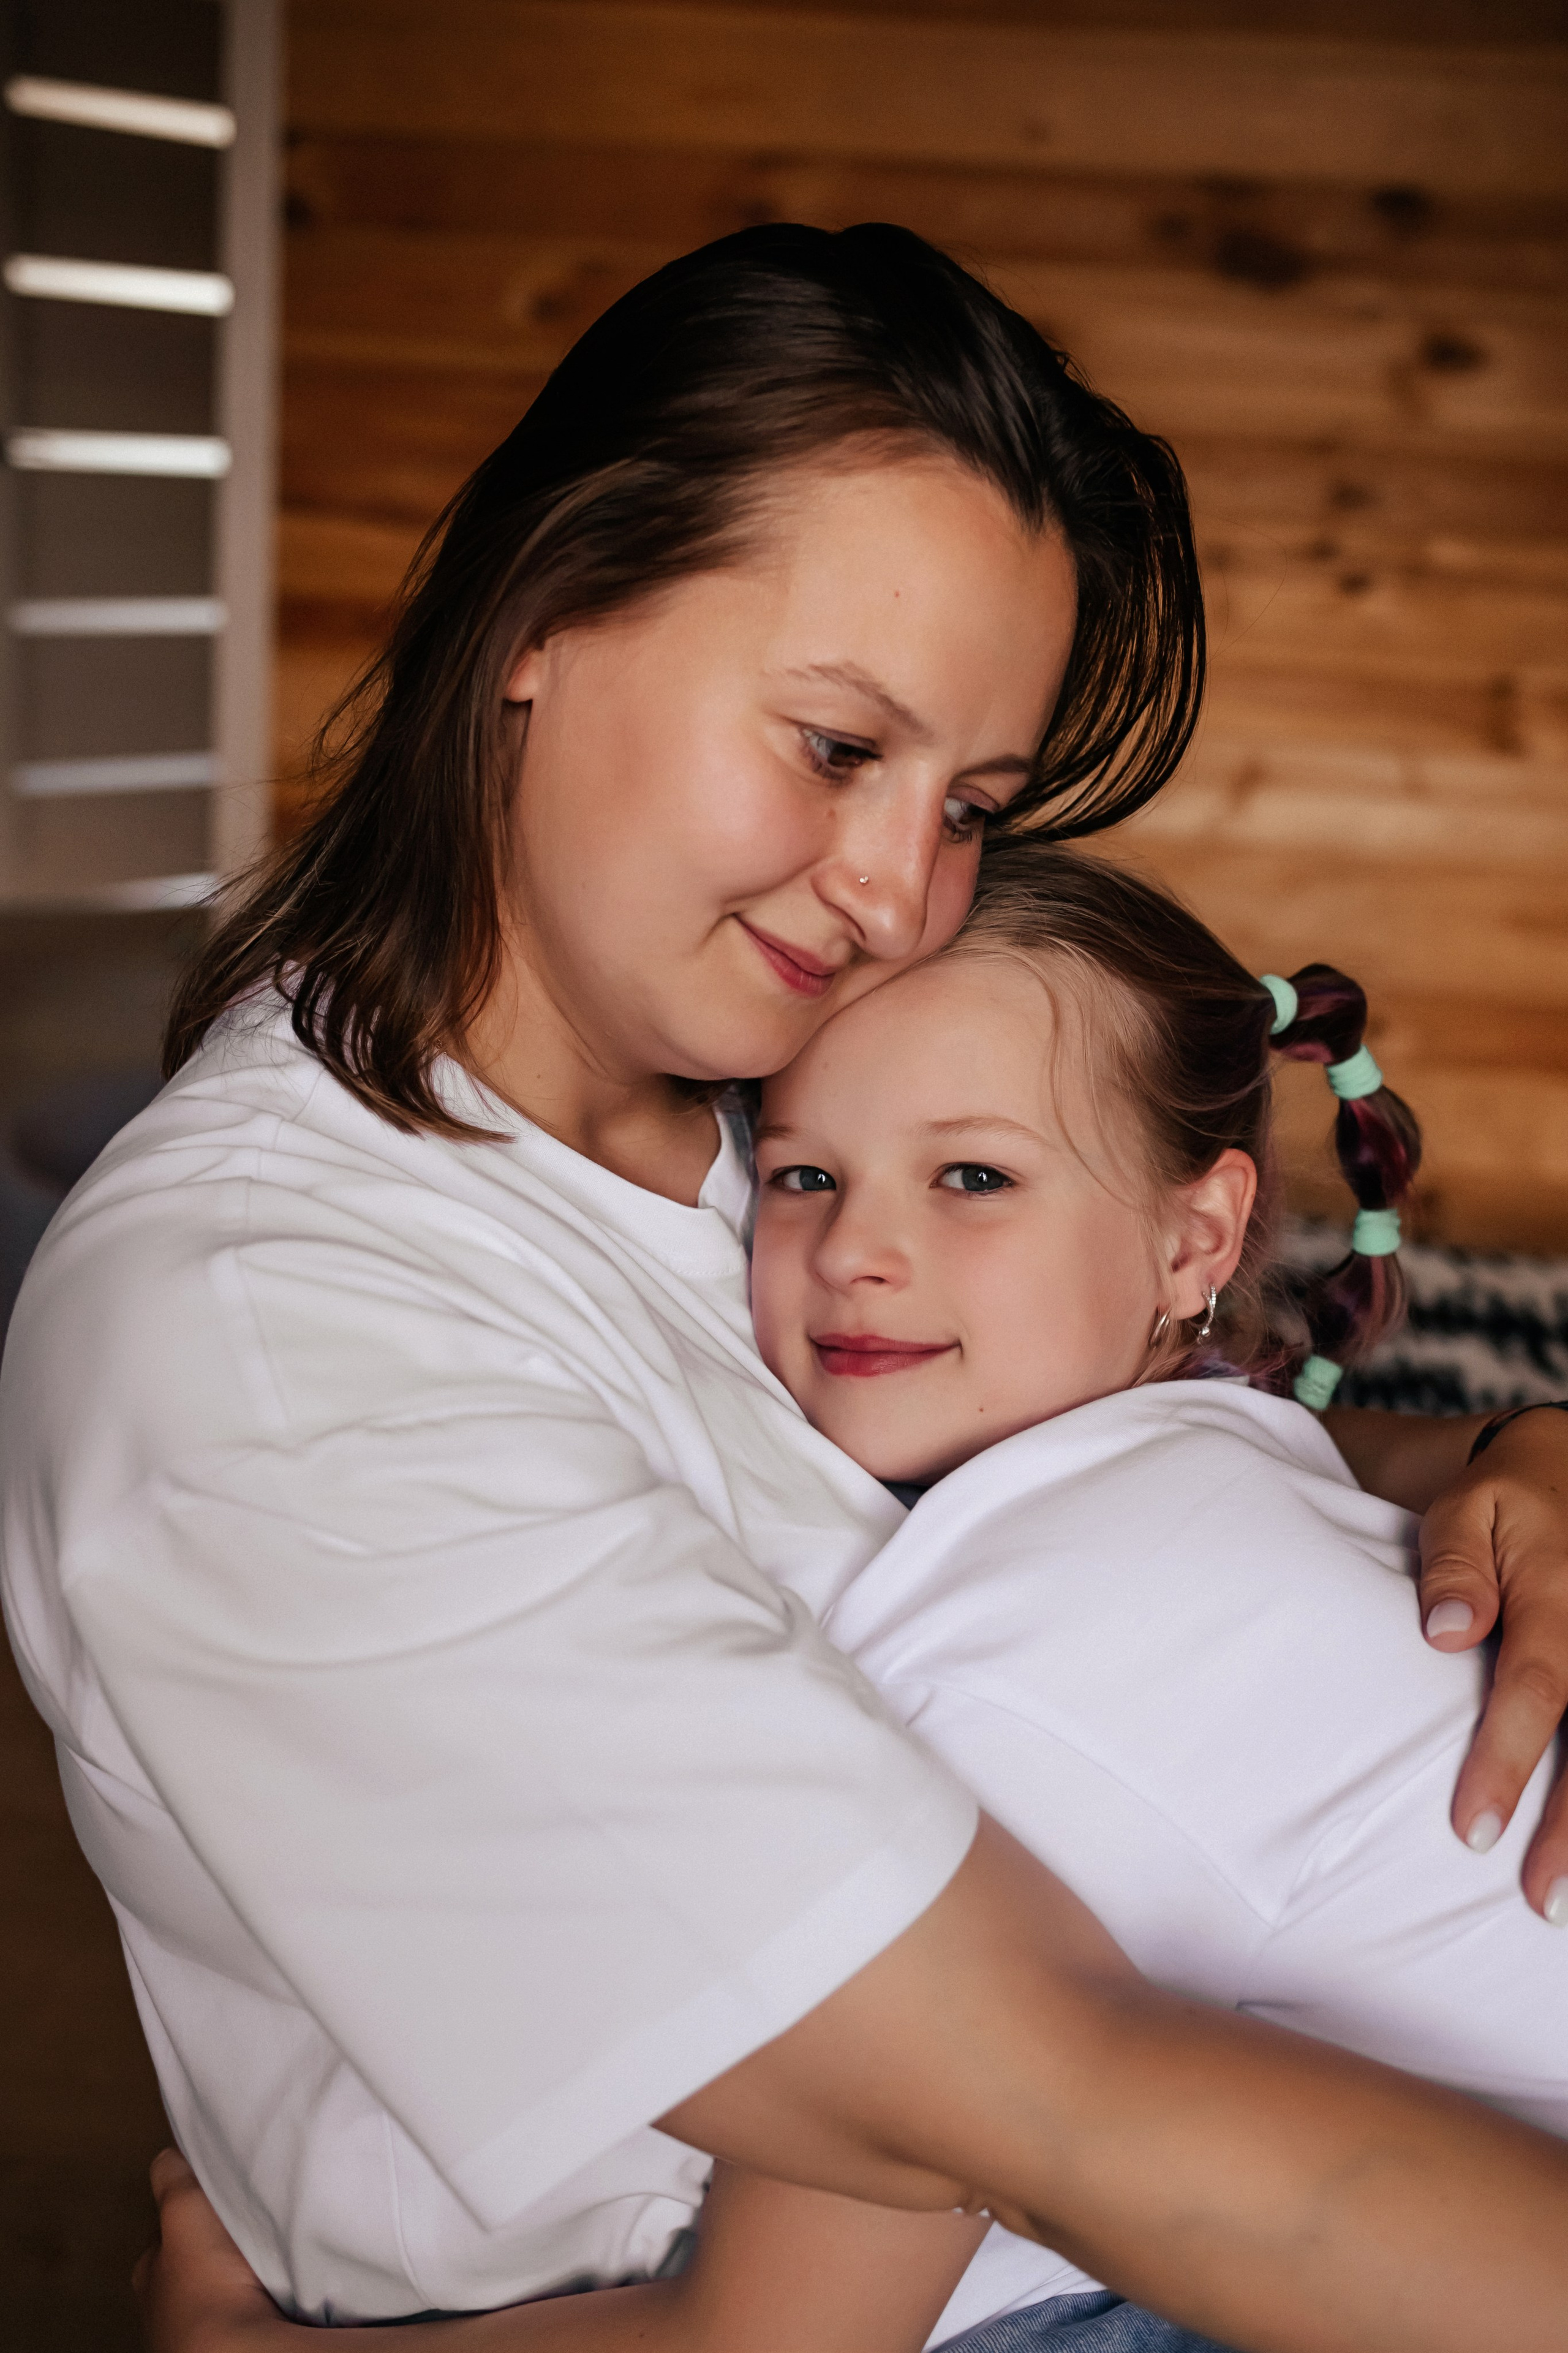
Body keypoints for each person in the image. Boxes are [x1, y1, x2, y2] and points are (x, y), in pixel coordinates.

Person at [6, 225, 1568, 2348]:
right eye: (839, 747)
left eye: (970, 804)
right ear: (546, 617)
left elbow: (1102, 1453)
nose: (899, 894)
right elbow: (1058, 2105)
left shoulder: (770, 1095)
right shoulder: (272, 1336)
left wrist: (1505, 1464)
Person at [134, 844, 1568, 2353]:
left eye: (972, 1177)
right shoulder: (1198, 1464)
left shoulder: (1057, 1633)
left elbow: (769, 2340)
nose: (855, 1254)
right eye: (804, 1175)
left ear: (1194, 1238)